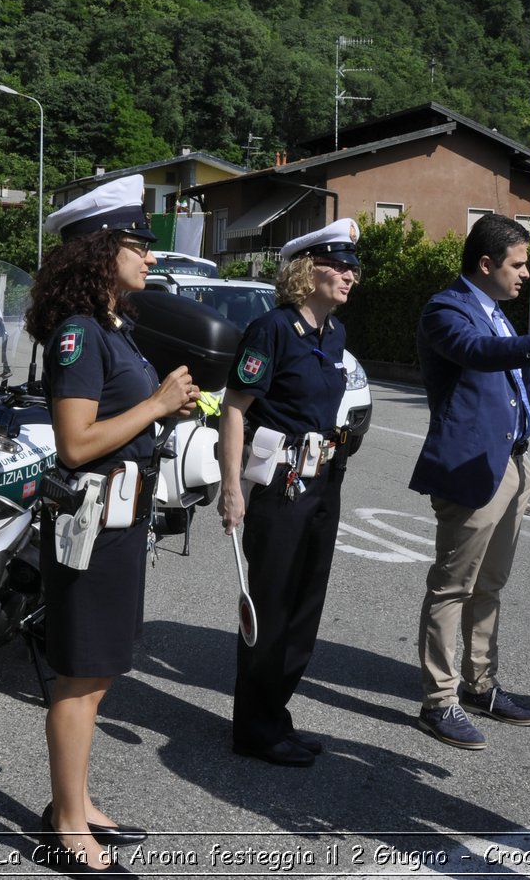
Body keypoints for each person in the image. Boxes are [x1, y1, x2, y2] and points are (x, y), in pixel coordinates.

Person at [25, 174, 198, 875]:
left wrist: (168, 408)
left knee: (101, 672)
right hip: (92, 525)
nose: (150, 256)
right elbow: (74, 443)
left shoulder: (112, 328)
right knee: (80, 675)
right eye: (138, 242)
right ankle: (67, 825)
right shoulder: (77, 334)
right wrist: (158, 403)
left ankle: (79, 798)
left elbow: (122, 421)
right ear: (101, 249)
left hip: (122, 521)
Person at [409, 213, 530, 748]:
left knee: (490, 586)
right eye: (518, 265)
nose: (526, 275)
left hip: (512, 465)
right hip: (472, 471)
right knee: (453, 586)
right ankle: (440, 700)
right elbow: (477, 354)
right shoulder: (447, 310)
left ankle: (480, 683)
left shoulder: (495, 312)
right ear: (486, 263)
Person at [218, 217, 361, 768]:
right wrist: (233, 488)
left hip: (325, 479)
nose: (351, 275)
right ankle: (252, 729)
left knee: (305, 608)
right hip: (279, 485)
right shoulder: (271, 330)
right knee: (272, 606)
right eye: (341, 265)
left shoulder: (335, 334)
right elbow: (235, 408)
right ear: (309, 269)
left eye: (353, 267)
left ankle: (275, 715)